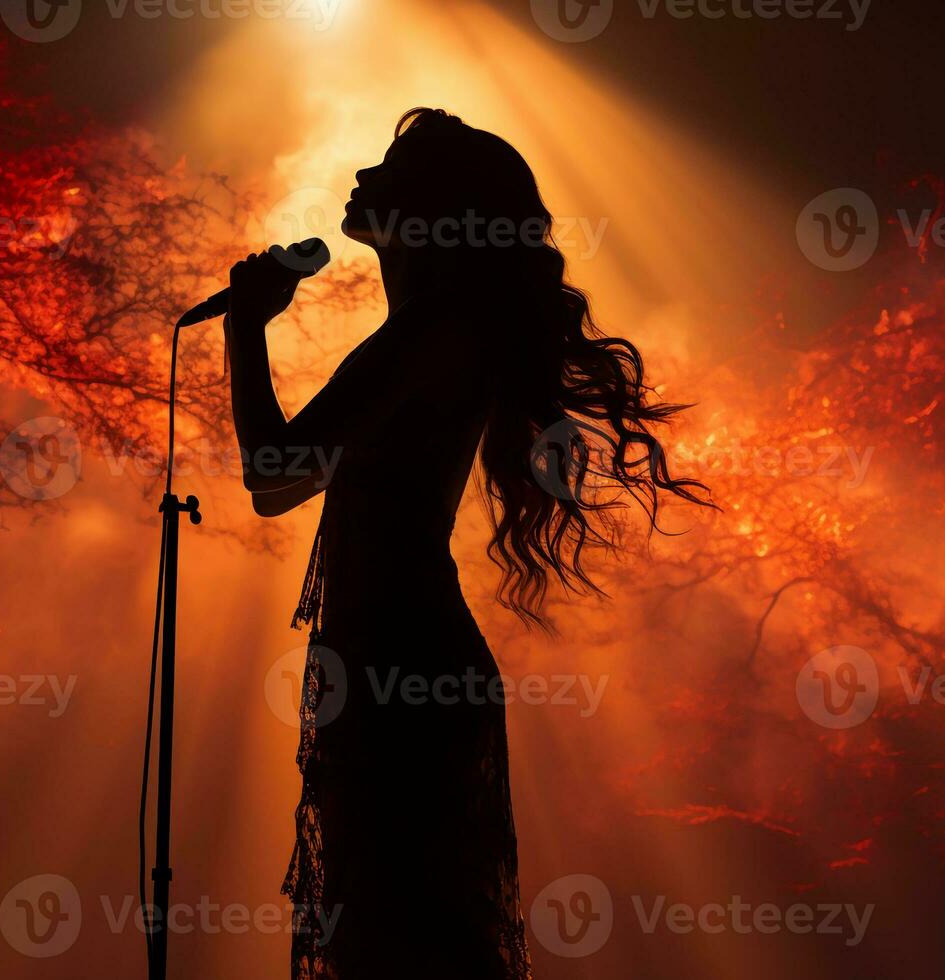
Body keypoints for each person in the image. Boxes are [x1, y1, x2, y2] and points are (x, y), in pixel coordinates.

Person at [222, 107, 706, 979]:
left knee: (401, 936)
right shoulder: (434, 329)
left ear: (435, 208)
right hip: (390, 659)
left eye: (389, 169)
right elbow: (281, 487)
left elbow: (272, 468)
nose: (365, 179)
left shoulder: (433, 330)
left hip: (400, 665)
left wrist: (246, 326)